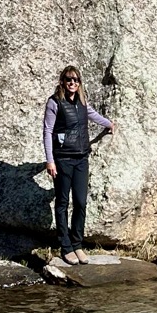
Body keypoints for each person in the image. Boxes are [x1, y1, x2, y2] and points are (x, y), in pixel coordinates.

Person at [43, 66, 114, 263]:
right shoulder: (55, 102)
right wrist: (50, 160)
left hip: (81, 158)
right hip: (63, 158)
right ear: (62, 81)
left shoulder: (82, 101)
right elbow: (48, 131)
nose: (72, 83)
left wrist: (109, 124)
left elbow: (92, 115)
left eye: (75, 80)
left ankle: (77, 244)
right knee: (63, 203)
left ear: (79, 83)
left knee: (81, 203)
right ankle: (66, 247)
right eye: (68, 79)